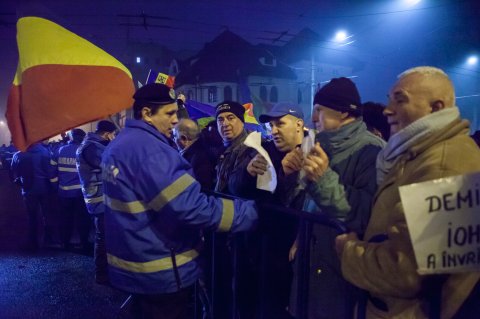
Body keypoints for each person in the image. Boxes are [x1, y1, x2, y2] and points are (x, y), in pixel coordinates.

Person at [101, 83, 258, 319]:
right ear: (146, 114)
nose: (175, 120)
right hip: (160, 269)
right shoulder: (151, 151)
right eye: (169, 113)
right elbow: (190, 207)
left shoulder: (121, 144)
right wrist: (248, 214)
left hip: (136, 261)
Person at [335, 66, 480, 318]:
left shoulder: (443, 164)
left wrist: (349, 251)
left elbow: (407, 272)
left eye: (400, 100)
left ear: (436, 108)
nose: (387, 109)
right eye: (390, 99)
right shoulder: (419, 153)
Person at [289, 77, 385, 318]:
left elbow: (365, 214)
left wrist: (321, 178)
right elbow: (307, 205)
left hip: (342, 277)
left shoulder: (372, 152)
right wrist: (290, 176)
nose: (313, 118)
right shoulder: (319, 147)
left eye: (319, 110)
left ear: (343, 113)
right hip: (312, 267)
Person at [231, 102, 309, 318]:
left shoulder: (311, 154)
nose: (273, 130)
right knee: (248, 304)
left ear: (299, 125)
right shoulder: (262, 151)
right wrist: (246, 173)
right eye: (271, 125)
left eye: (280, 124)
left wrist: (284, 175)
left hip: (284, 253)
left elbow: (296, 203)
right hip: (254, 247)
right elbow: (235, 187)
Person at [76, 120, 117, 284]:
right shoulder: (92, 147)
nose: (114, 137)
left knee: (104, 236)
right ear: (107, 134)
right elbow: (108, 166)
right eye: (113, 134)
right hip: (99, 198)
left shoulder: (91, 145)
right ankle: (101, 274)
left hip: (99, 197)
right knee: (102, 238)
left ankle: (104, 272)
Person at [52, 128, 91, 252]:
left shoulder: (59, 150)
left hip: (64, 192)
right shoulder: (85, 151)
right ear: (83, 138)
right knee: (83, 219)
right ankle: (84, 243)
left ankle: (65, 243)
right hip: (81, 193)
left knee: (65, 219)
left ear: (71, 137)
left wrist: (55, 187)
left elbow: (52, 173)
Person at [11, 141, 55, 250]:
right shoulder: (45, 152)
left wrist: (18, 180)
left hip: (28, 189)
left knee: (32, 216)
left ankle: (33, 242)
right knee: (47, 215)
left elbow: (13, 171)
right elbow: (50, 171)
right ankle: (48, 241)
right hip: (44, 188)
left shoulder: (18, 155)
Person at [214, 100, 250, 193]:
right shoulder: (222, 149)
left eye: (230, 118)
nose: (225, 124)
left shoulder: (251, 149)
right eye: (220, 120)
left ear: (242, 122)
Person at [173, 118, 216, 190]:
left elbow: (201, 188)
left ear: (184, 139)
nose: (173, 139)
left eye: (174, 136)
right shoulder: (201, 151)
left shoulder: (199, 159)